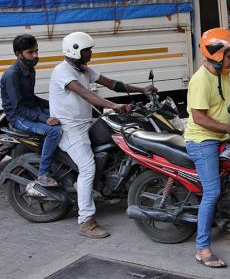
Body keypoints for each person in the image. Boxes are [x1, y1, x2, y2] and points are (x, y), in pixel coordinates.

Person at [49, 32, 156, 238]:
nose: (91, 54)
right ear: (76, 51)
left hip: (85, 123)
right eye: (88, 50)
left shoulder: (83, 69)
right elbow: (85, 93)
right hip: (69, 129)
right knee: (87, 167)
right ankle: (86, 221)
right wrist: (113, 105)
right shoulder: (62, 71)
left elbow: (112, 84)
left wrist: (142, 89)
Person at [185, 28, 230, 268]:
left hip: (218, 135)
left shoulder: (221, 73)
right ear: (215, 55)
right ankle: (202, 248)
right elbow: (200, 118)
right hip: (202, 140)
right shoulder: (200, 80)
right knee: (211, 192)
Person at [0, 34, 62, 194]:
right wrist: (45, 118)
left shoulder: (29, 69)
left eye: (36, 51)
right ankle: (43, 173)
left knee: (64, 117)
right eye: (30, 52)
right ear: (18, 54)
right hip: (18, 117)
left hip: (31, 110)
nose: (35, 56)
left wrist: (54, 106)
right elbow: (19, 108)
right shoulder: (12, 75)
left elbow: (31, 98)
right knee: (53, 131)